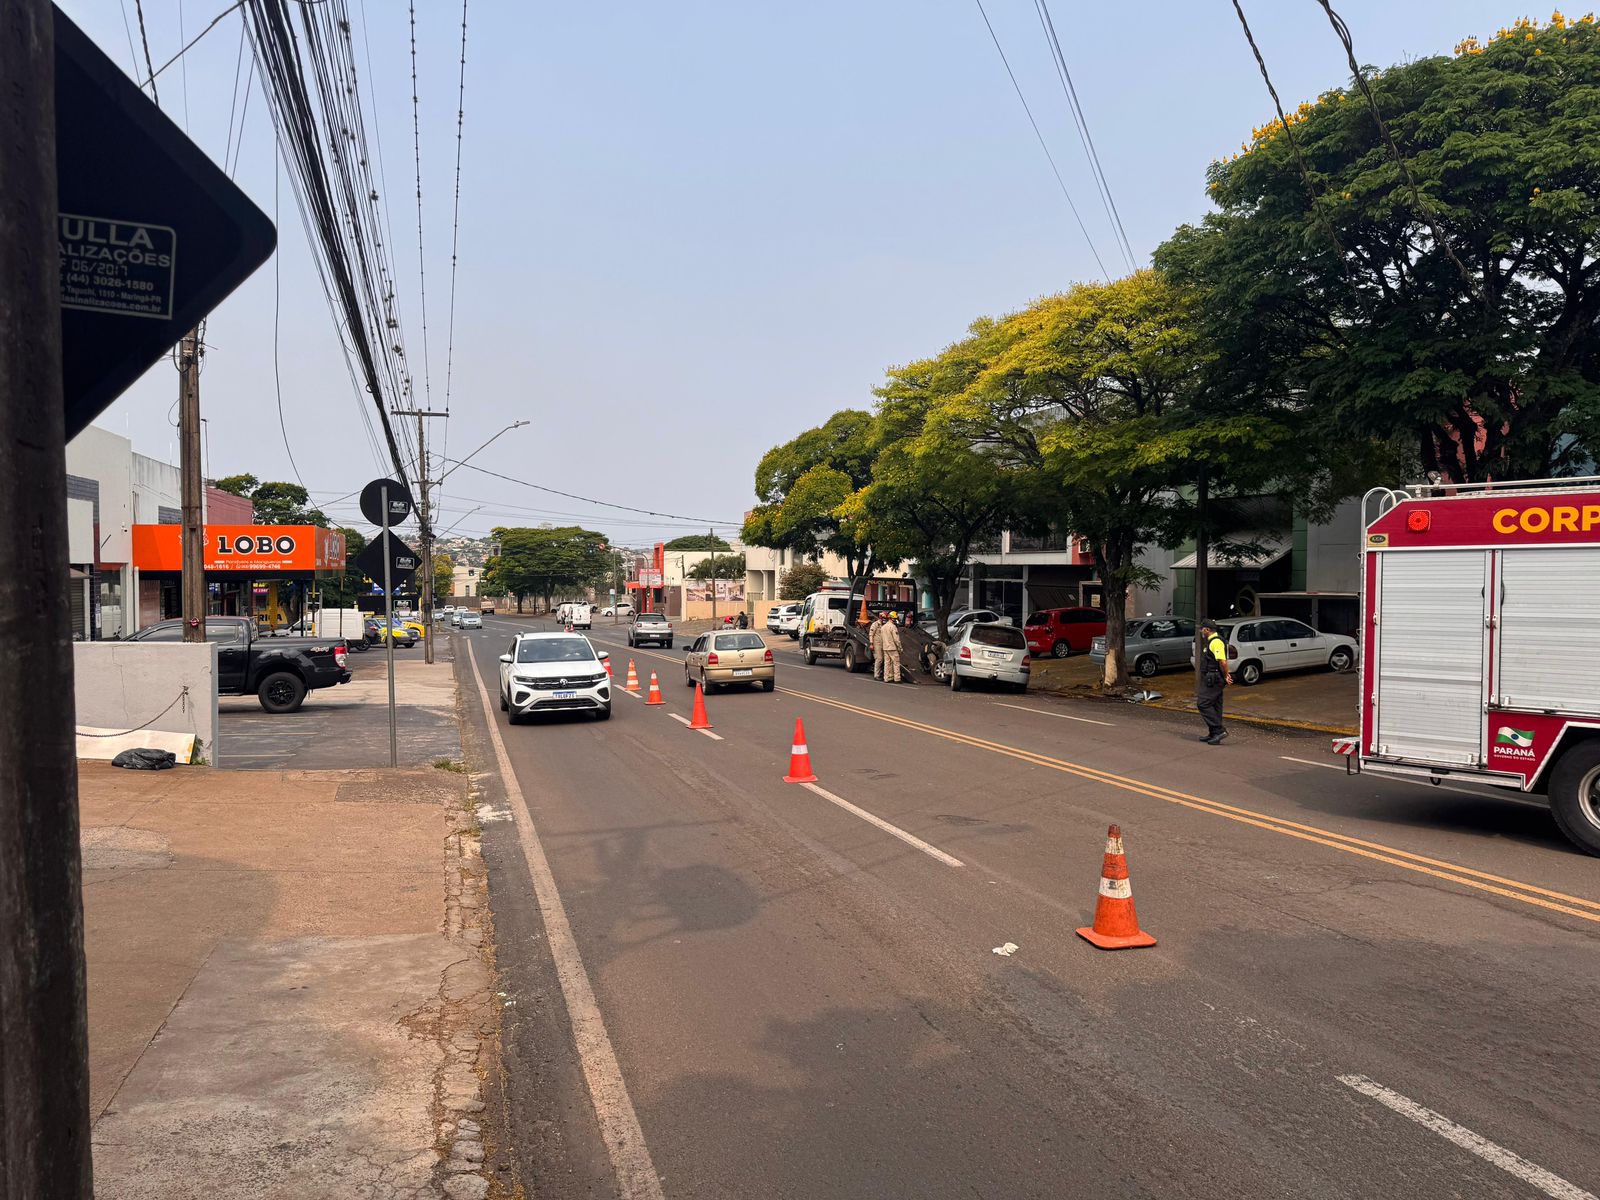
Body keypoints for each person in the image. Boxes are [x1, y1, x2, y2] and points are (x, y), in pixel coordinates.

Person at [1196, 620, 1233, 744]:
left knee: (1203, 703)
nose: (1201, 631)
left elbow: (1222, 661)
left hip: (1214, 677)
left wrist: (1226, 675)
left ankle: (1219, 730)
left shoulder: (1216, 642)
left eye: (1202, 629)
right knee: (1215, 704)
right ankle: (1213, 734)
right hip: (1214, 676)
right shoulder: (1213, 641)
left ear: (1207, 630)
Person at [877, 610, 904, 684]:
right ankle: (897, 679)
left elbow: (881, 638)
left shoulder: (883, 627)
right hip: (892, 648)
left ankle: (886, 678)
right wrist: (900, 648)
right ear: (893, 619)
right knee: (896, 663)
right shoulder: (893, 627)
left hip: (885, 647)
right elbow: (896, 639)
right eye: (895, 619)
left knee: (887, 663)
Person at [869, 610, 885, 680]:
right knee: (879, 659)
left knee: (884, 659)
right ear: (880, 617)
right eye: (883, 618)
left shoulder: (884, 625)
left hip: (883, 644)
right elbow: (871, 634)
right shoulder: (875, 624)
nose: (884, 619)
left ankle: (881, 673)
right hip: (877, 644)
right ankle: (876, 675)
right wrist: (871, 643)